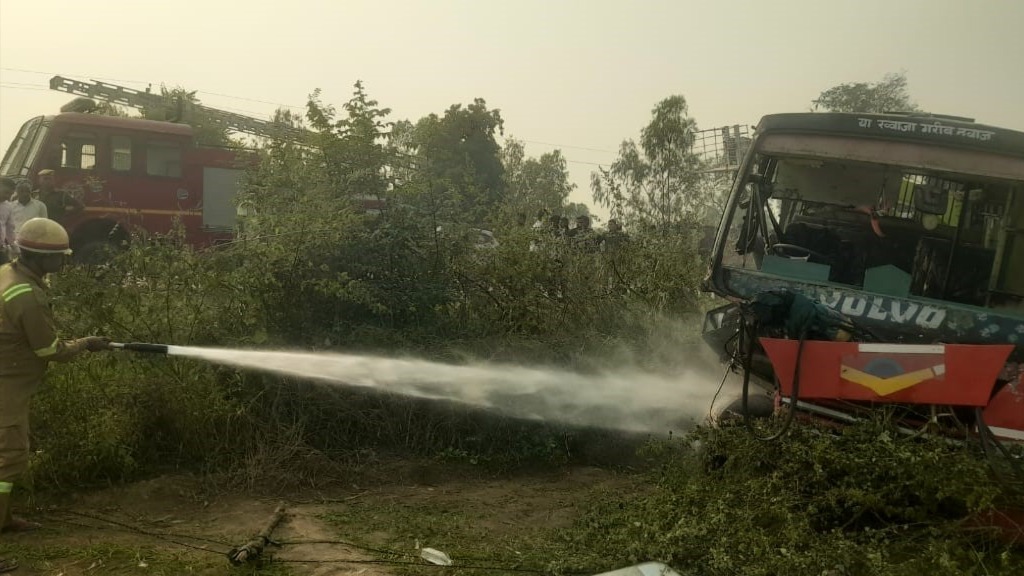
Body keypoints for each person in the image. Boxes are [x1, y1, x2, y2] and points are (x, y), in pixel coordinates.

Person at [0, 218, 110, 573]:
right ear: (41, 258)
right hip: (7, 382)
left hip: (8, 375)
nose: (64, 263)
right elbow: (49, 350)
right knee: (11, 455)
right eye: (60, 257)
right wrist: (86, 344)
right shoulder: (26, 294)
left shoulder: (8, 274)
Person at [8, 183, 47, 260]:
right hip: (15, 241)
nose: (25, 194)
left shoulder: (40, 205)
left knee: (31, 262)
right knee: (14, 264)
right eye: (21, 191)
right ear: (17, 192)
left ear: (31, 192)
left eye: (27, 191)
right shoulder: (10, 206)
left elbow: (45, 224)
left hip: (33, 240)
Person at [0, 179, 15, 265]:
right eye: (6, 192)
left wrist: (15, 248)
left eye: (10, 194)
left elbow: (10, 229)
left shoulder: (8, 207)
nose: (8, 197)